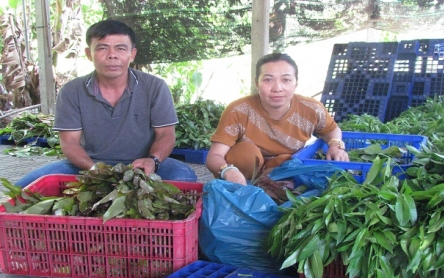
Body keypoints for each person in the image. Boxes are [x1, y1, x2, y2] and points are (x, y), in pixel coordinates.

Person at [15, 19, 197, 188]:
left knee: (183, 177)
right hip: (87, 164)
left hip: (141, 164)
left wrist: (153, 160)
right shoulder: (72, 91)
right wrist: (94, 169)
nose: (112, 56)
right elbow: (69, 142)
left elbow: (166, 134)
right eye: (102, 48)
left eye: (120, 48)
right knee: (24, 188)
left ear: (132, 54)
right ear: (89, 53)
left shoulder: (154, 87)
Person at [205, 52, 349, 186]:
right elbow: (214, 156)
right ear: (257, 83)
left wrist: (335, 145)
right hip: (242, 175)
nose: (277, 88)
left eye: (286, 80)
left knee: (288, 161)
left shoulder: (311, 108)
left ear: (296, 83)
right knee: (246, 154)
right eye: (268, 80)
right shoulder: (239, 110)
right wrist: (227, 171)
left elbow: (331, 129)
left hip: (282, 172)